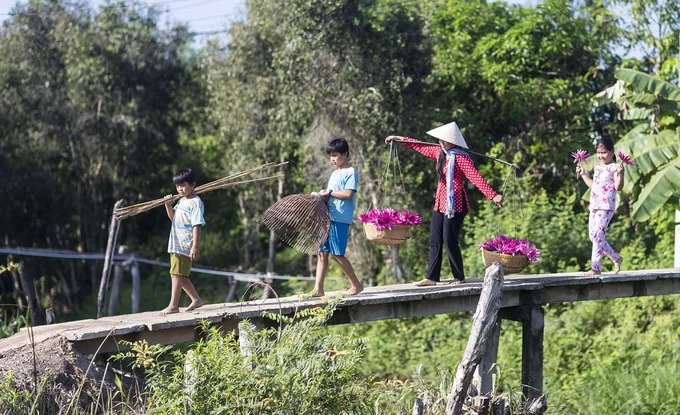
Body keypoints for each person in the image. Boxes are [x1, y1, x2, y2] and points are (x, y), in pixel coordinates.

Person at [385, 122, 503, 286]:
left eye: (446, 140)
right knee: (435, 240)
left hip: (456, 205)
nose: (442, 142)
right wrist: (399, 139)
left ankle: (459, 276)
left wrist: (493, 195)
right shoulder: (439, 152)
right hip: (440, 204)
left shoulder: (461, 158)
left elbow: (475, 178)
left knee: (450, 240)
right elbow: (419, 146)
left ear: (453, 141)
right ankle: (431, 277)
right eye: (441, 140)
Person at [311, 138, 364, 297]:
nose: (332, 159)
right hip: (327, 217)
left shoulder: (350, 172)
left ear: (345, 154)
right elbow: (330, 194)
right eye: (330, 155)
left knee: (337, 253)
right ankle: (318, 289)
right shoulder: (334, 173)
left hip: (340, 219)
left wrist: (330, 193)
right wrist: (321, 195)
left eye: (335, 155)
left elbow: (348, 194)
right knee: (322, 252)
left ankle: (356, 285)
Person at [160, 168, 206, 315]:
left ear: (193, 184)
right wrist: (168, 205)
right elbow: (174, 219)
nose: (180, 189)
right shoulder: (182, 201)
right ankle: (196, 299)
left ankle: (173, 305)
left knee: (175, 274)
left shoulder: (195, 202)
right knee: (180, 275)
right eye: (177, 186)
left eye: (183, 185)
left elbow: (196, 224)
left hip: (184, 244)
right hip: (175, 242)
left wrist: (195, 246)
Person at [576, 137, 624, 275]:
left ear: (612, 152)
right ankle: (616, 258)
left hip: (606, 206)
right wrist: (584, 174)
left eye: (604, 152)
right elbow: (594, 186)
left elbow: (618, 186)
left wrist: (621, 174)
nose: (601, 155)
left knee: (597, 235)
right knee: (593, 236)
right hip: (594, 205)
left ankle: (595, 268)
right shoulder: (597, 168)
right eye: (598, 152)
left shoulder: (615, 167)